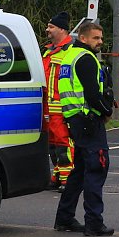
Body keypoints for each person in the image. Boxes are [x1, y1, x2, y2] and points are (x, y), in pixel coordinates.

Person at [53, 21, 115, 236]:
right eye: (96, 38)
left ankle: (65, 217)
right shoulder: (86, 59)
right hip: (89, 120)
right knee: (96, 169)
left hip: (75, 120)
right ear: (83, 37)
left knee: (78, 171)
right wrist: (106, 110)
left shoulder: (69, 56)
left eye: (101, 38)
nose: (100, 42)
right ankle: (94, 222)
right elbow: (91, 94)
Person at [42, 11, 74, 191]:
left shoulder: (70, 51)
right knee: (52, 145)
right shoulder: (48, 51)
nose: (47, 30)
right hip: (48, 108)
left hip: (62, 107)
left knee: (64, 143)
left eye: (51, 27)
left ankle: (68, 178)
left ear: (62, 29)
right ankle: (58, 174)